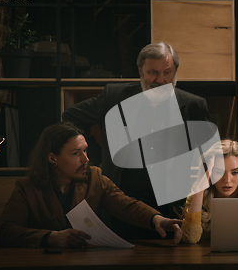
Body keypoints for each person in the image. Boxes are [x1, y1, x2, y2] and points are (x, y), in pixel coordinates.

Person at [62, 42, 210, 239]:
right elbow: (71, 116)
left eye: (167, 72)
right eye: (153, 73)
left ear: (175, 72)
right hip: (121, 202)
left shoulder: (194, 105)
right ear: (140, 70)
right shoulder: (114, 97)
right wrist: (96, 156)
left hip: (173, 206)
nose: (161, 80)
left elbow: (208, 153)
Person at [0, 122, 182, 248]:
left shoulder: (95, 178)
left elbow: (126, 206)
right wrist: (50, 237)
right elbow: (5, 232)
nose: (86, 159)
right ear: (53, 159)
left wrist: (157, 219)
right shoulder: (27, 187)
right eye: (76, 153)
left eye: (85, 151)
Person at [180, 140, 238, 244]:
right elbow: (190, 238)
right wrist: (200, 190)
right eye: (219, 172)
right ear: (210, 172)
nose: (227, 180)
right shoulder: (197, 198)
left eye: (235, 172)